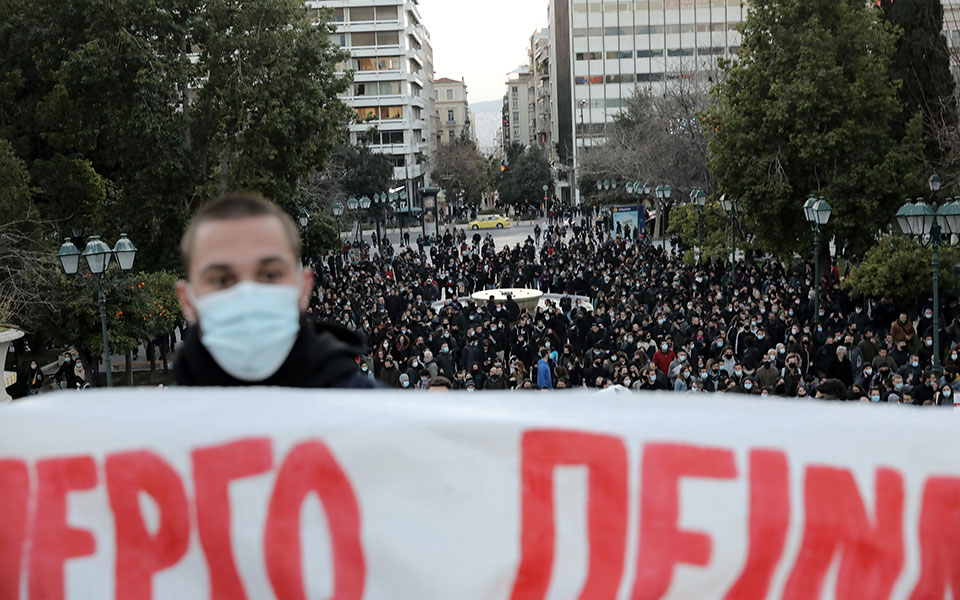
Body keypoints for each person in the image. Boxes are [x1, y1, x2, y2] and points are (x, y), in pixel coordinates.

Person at [173, 193, 377, 388]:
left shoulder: (376, 413)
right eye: (222, 279)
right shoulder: (161, 420)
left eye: (270, 275)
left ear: (303, 287)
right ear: (187, 301)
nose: (247, 294)